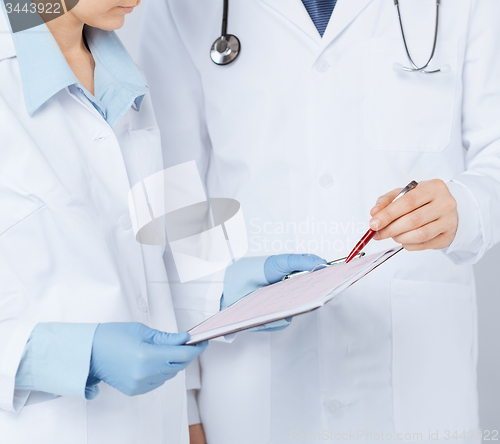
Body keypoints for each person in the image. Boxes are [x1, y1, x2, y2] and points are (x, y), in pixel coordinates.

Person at [138, 0, 500, 443]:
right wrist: (184, 404)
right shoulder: (182, 7)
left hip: (416, 370)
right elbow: (172, 191)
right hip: (247, 381)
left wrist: (466, 204)